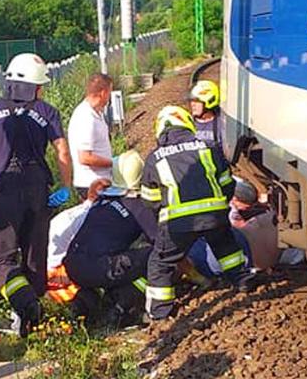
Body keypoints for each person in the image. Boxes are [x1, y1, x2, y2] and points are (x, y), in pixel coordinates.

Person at [0, 53, 73, 337]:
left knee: (2, 259)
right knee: (33, 255)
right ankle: (31, 318)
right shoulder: (48, 112)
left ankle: (24, 308)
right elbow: (62, 151)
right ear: (36, 87)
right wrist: (66, 186)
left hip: (4, 190)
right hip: (38, 189)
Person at [141, 106, 255, 320]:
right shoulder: (209, 147)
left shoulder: (154, 158)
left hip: (178, 223)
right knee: (226, 246)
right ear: (187, 124)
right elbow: (227, 183)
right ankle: (242, 280)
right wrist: (218, 206)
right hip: (215, 215)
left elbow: (149, 200)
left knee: (161, 261)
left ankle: (159, 312)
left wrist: (166, 211)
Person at [62, 150, 157, 326]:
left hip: (73, 264)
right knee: (156, 256)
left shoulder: (103, 199)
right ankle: (121, 307)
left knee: (122, 260)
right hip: (99, 267)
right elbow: (161, 242)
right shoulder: (137, 205)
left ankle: (87, 309)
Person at [68, 74, 114, 200]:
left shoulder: (96, 113)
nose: (109, 97)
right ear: (103, 93)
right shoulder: (86, 117)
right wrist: (114, 163)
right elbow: (84, 157)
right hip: (91, 184)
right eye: (109, 93)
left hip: (99, 182)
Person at [188, 80, 222, 146]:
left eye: (197, 101)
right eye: (191, 101)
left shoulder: (222, 125)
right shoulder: (188, 124)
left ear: (210, 101)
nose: (192, 104)